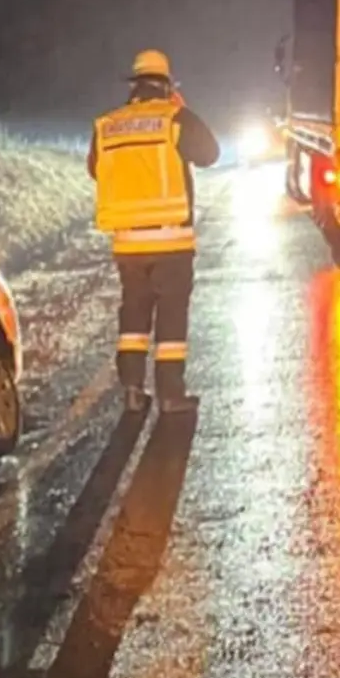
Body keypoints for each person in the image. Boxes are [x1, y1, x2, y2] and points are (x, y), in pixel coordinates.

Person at [87, 49, 220, 414]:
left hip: (128, 243)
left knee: (133, 315)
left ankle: (132, 389)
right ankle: (170, 394)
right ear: (166, 85)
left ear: (134, 85)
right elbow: (210, 153)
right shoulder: (174, 118)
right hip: (171, 240)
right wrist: (183, 108)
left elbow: (96, 170)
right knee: (171, 317)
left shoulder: (108, 125)